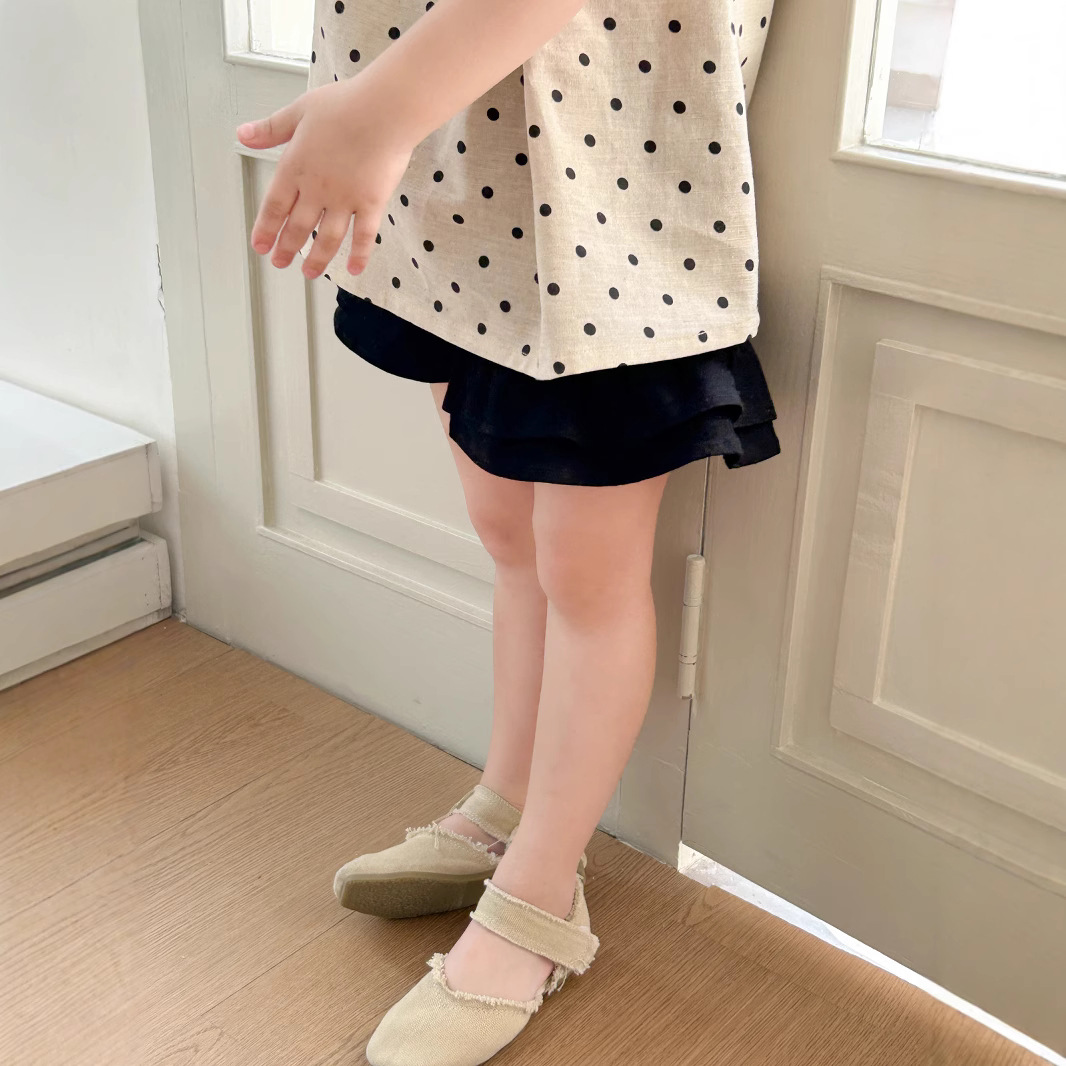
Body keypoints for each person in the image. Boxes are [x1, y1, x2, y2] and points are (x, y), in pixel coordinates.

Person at [237, 0, 777, 1061]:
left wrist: (378, 111)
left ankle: (540, 891)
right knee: (508, 533)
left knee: (586, 574)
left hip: (606, 194)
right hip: (459, 188)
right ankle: (505, 807)